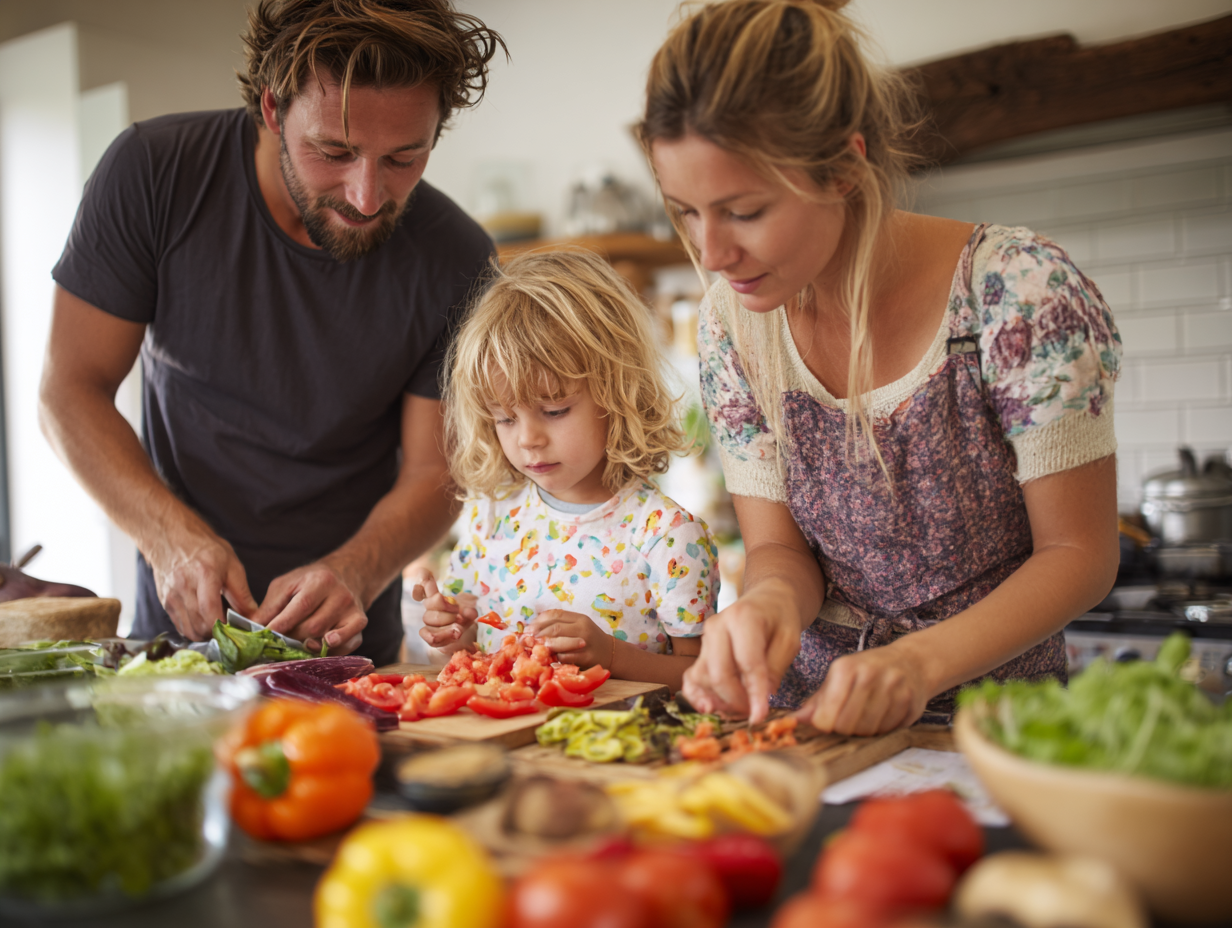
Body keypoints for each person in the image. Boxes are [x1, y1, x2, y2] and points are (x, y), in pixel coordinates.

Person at [637, 0, 1121, 733]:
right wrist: (768, 603)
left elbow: (1079, 553)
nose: (711, 253)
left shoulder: (1018, 290)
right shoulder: (732, 323)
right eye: (686, 211)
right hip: (811, 726)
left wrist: (918, 663)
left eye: (743, 211)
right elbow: (777, 547)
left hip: (1001, 734)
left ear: (843, 167)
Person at [39, 0, 505, 665]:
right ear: (272, 109)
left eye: (404, 157)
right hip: (179, 642)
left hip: (350, 653)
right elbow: (69, 391)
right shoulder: (153, 173)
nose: (367, 195)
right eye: (334, 151)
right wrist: (169, 539)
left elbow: (435, 471)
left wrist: (358, 570)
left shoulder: (457, 257)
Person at [413, 250, 720, 691]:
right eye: (505, 418)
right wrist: (449, 637)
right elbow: (461, 656)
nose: (528, 439)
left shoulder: (667, 537)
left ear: (619, 393)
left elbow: (705, 680)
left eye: (554, 410)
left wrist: (610, 656)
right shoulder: (491, 520)